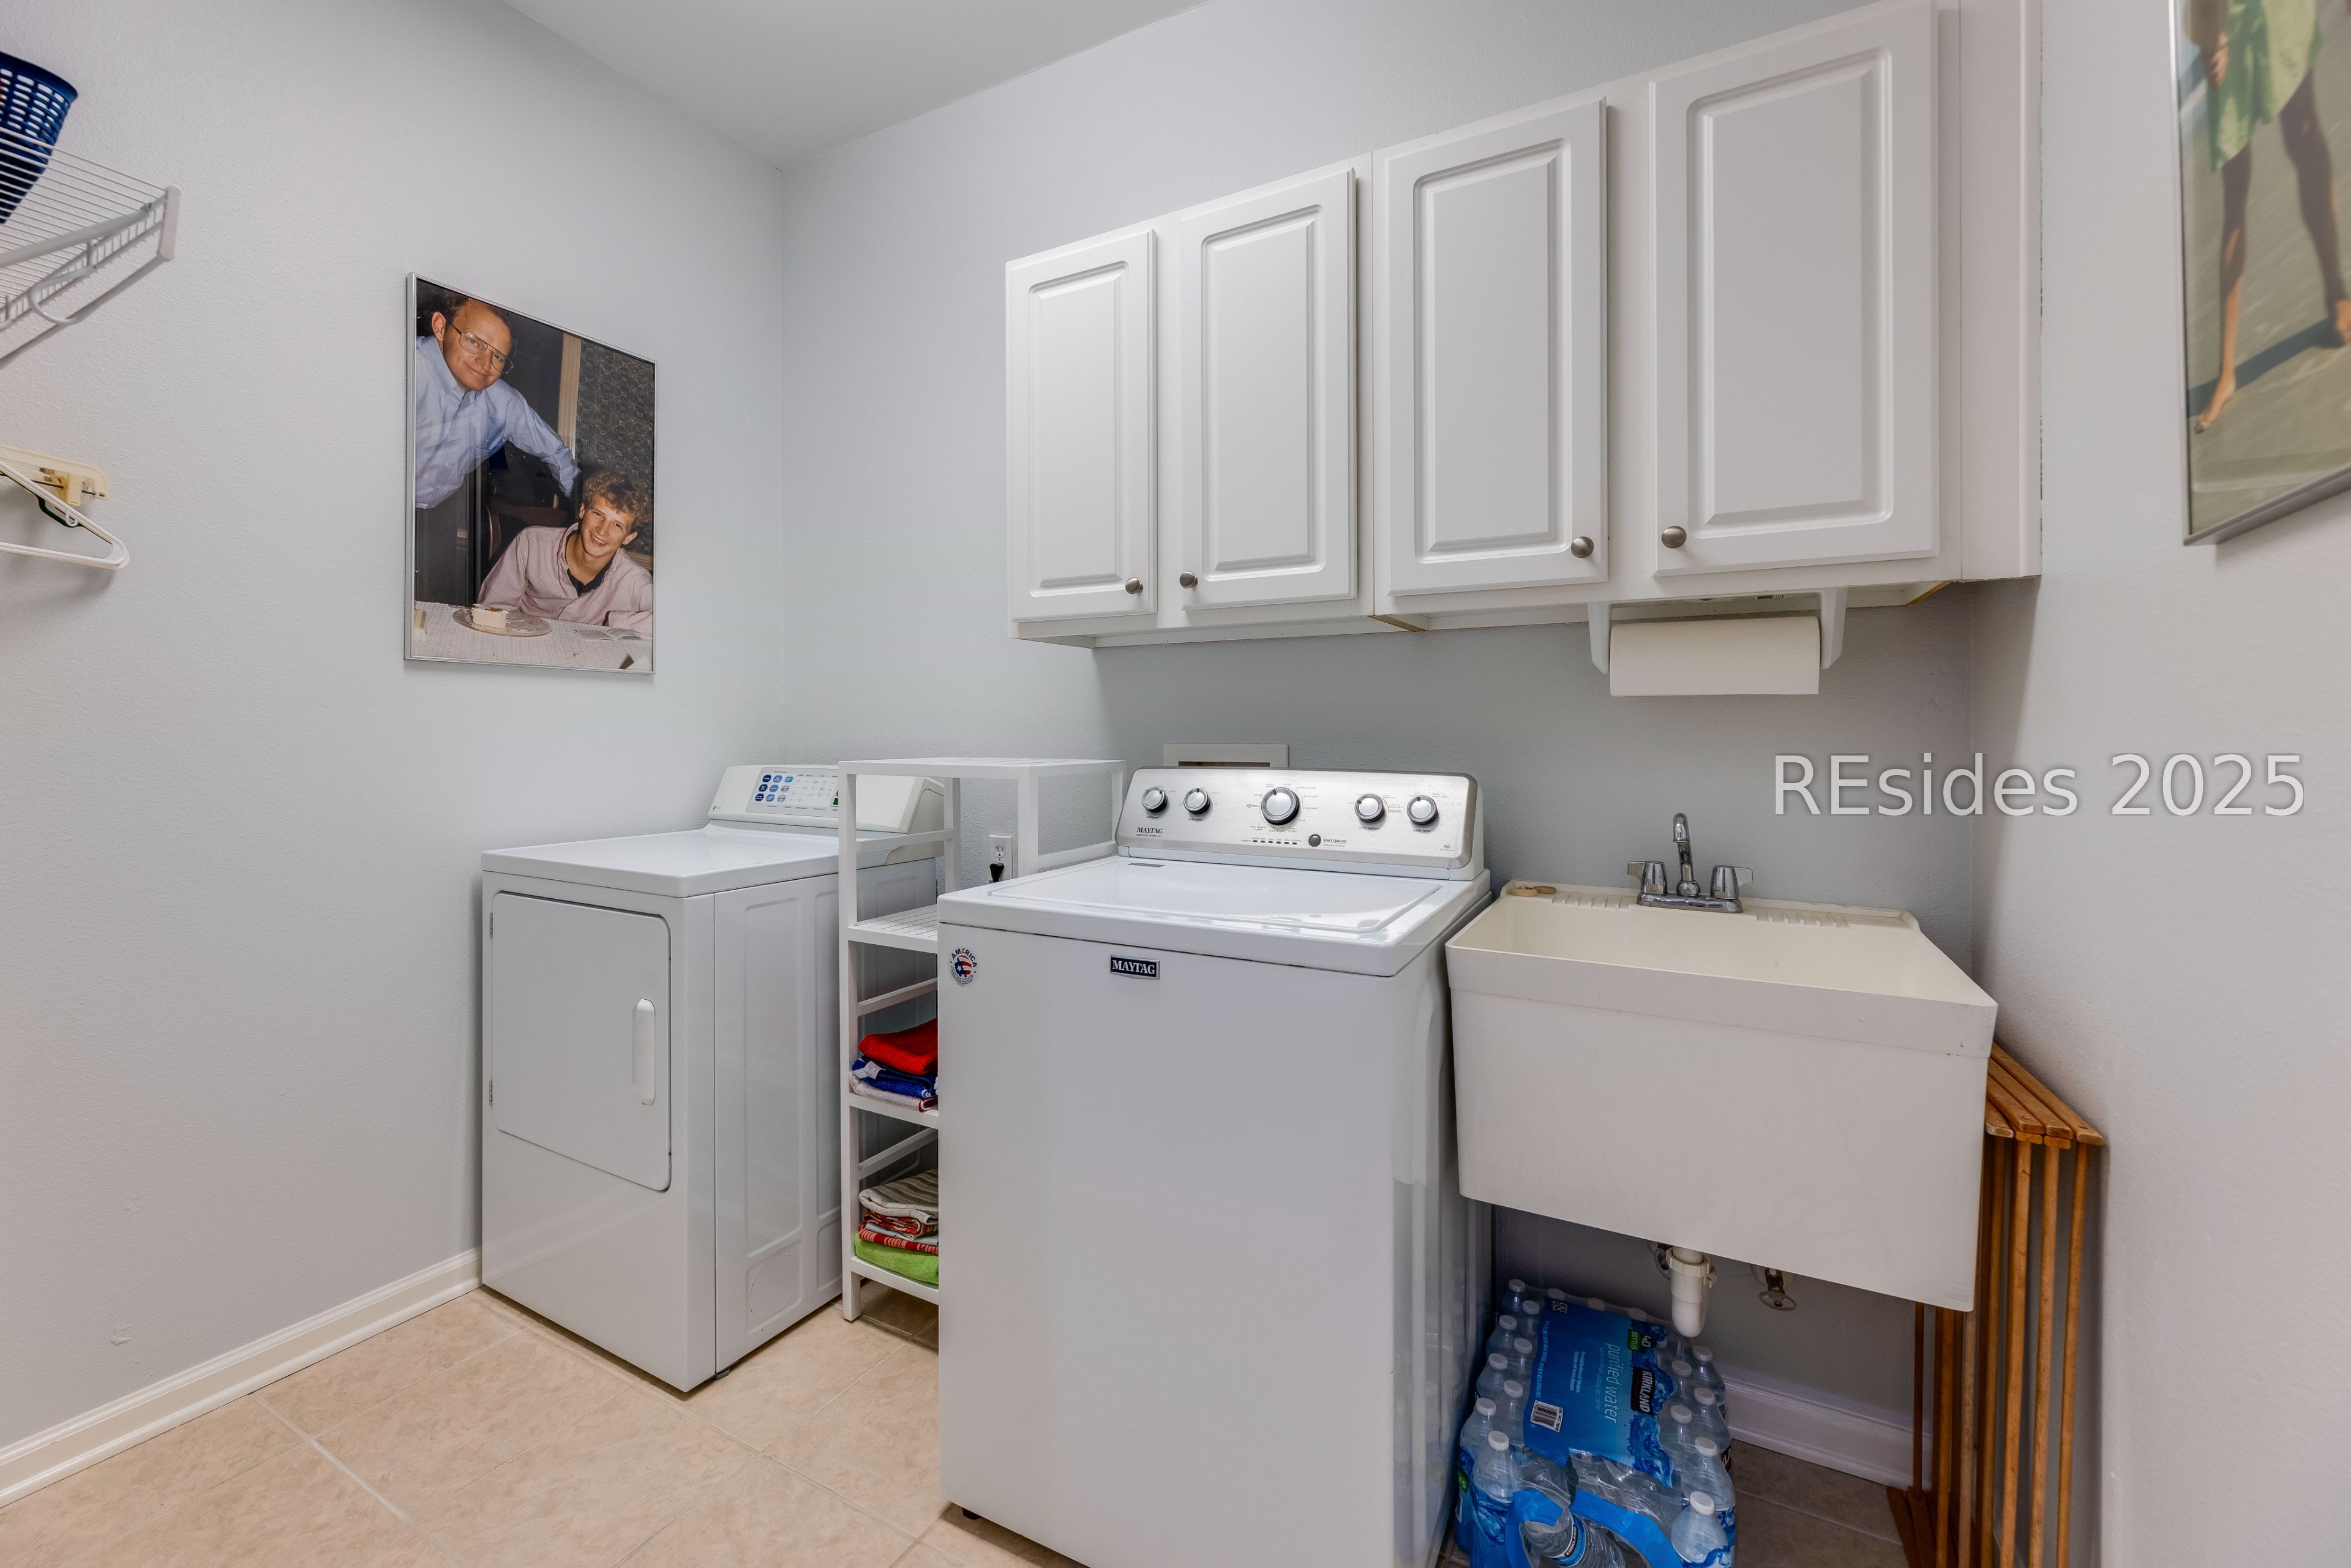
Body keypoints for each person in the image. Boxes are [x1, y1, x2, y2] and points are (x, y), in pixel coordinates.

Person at [2189, 0, 2351, 428]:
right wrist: (2209, 35)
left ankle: (2336, 292)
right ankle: (2226, 372)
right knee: (2234, 186)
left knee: (2304, 133)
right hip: (2228, 17)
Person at [413, 294, 579, 505]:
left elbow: (556, 452)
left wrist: (583, 507)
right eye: (474, 342)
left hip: (429, 511)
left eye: (498, 356)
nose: (485, 364)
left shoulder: (505, 403)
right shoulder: (404, 365)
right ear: (440, 326)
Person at [477, 467, 653, 634]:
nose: (602, 531)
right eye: (598, 514)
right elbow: (492, 608)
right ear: (583, 510)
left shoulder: (634, 580)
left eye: (617, 525)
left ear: (629, 537)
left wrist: (614, 623)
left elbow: (667, 622)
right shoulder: (532, 543)